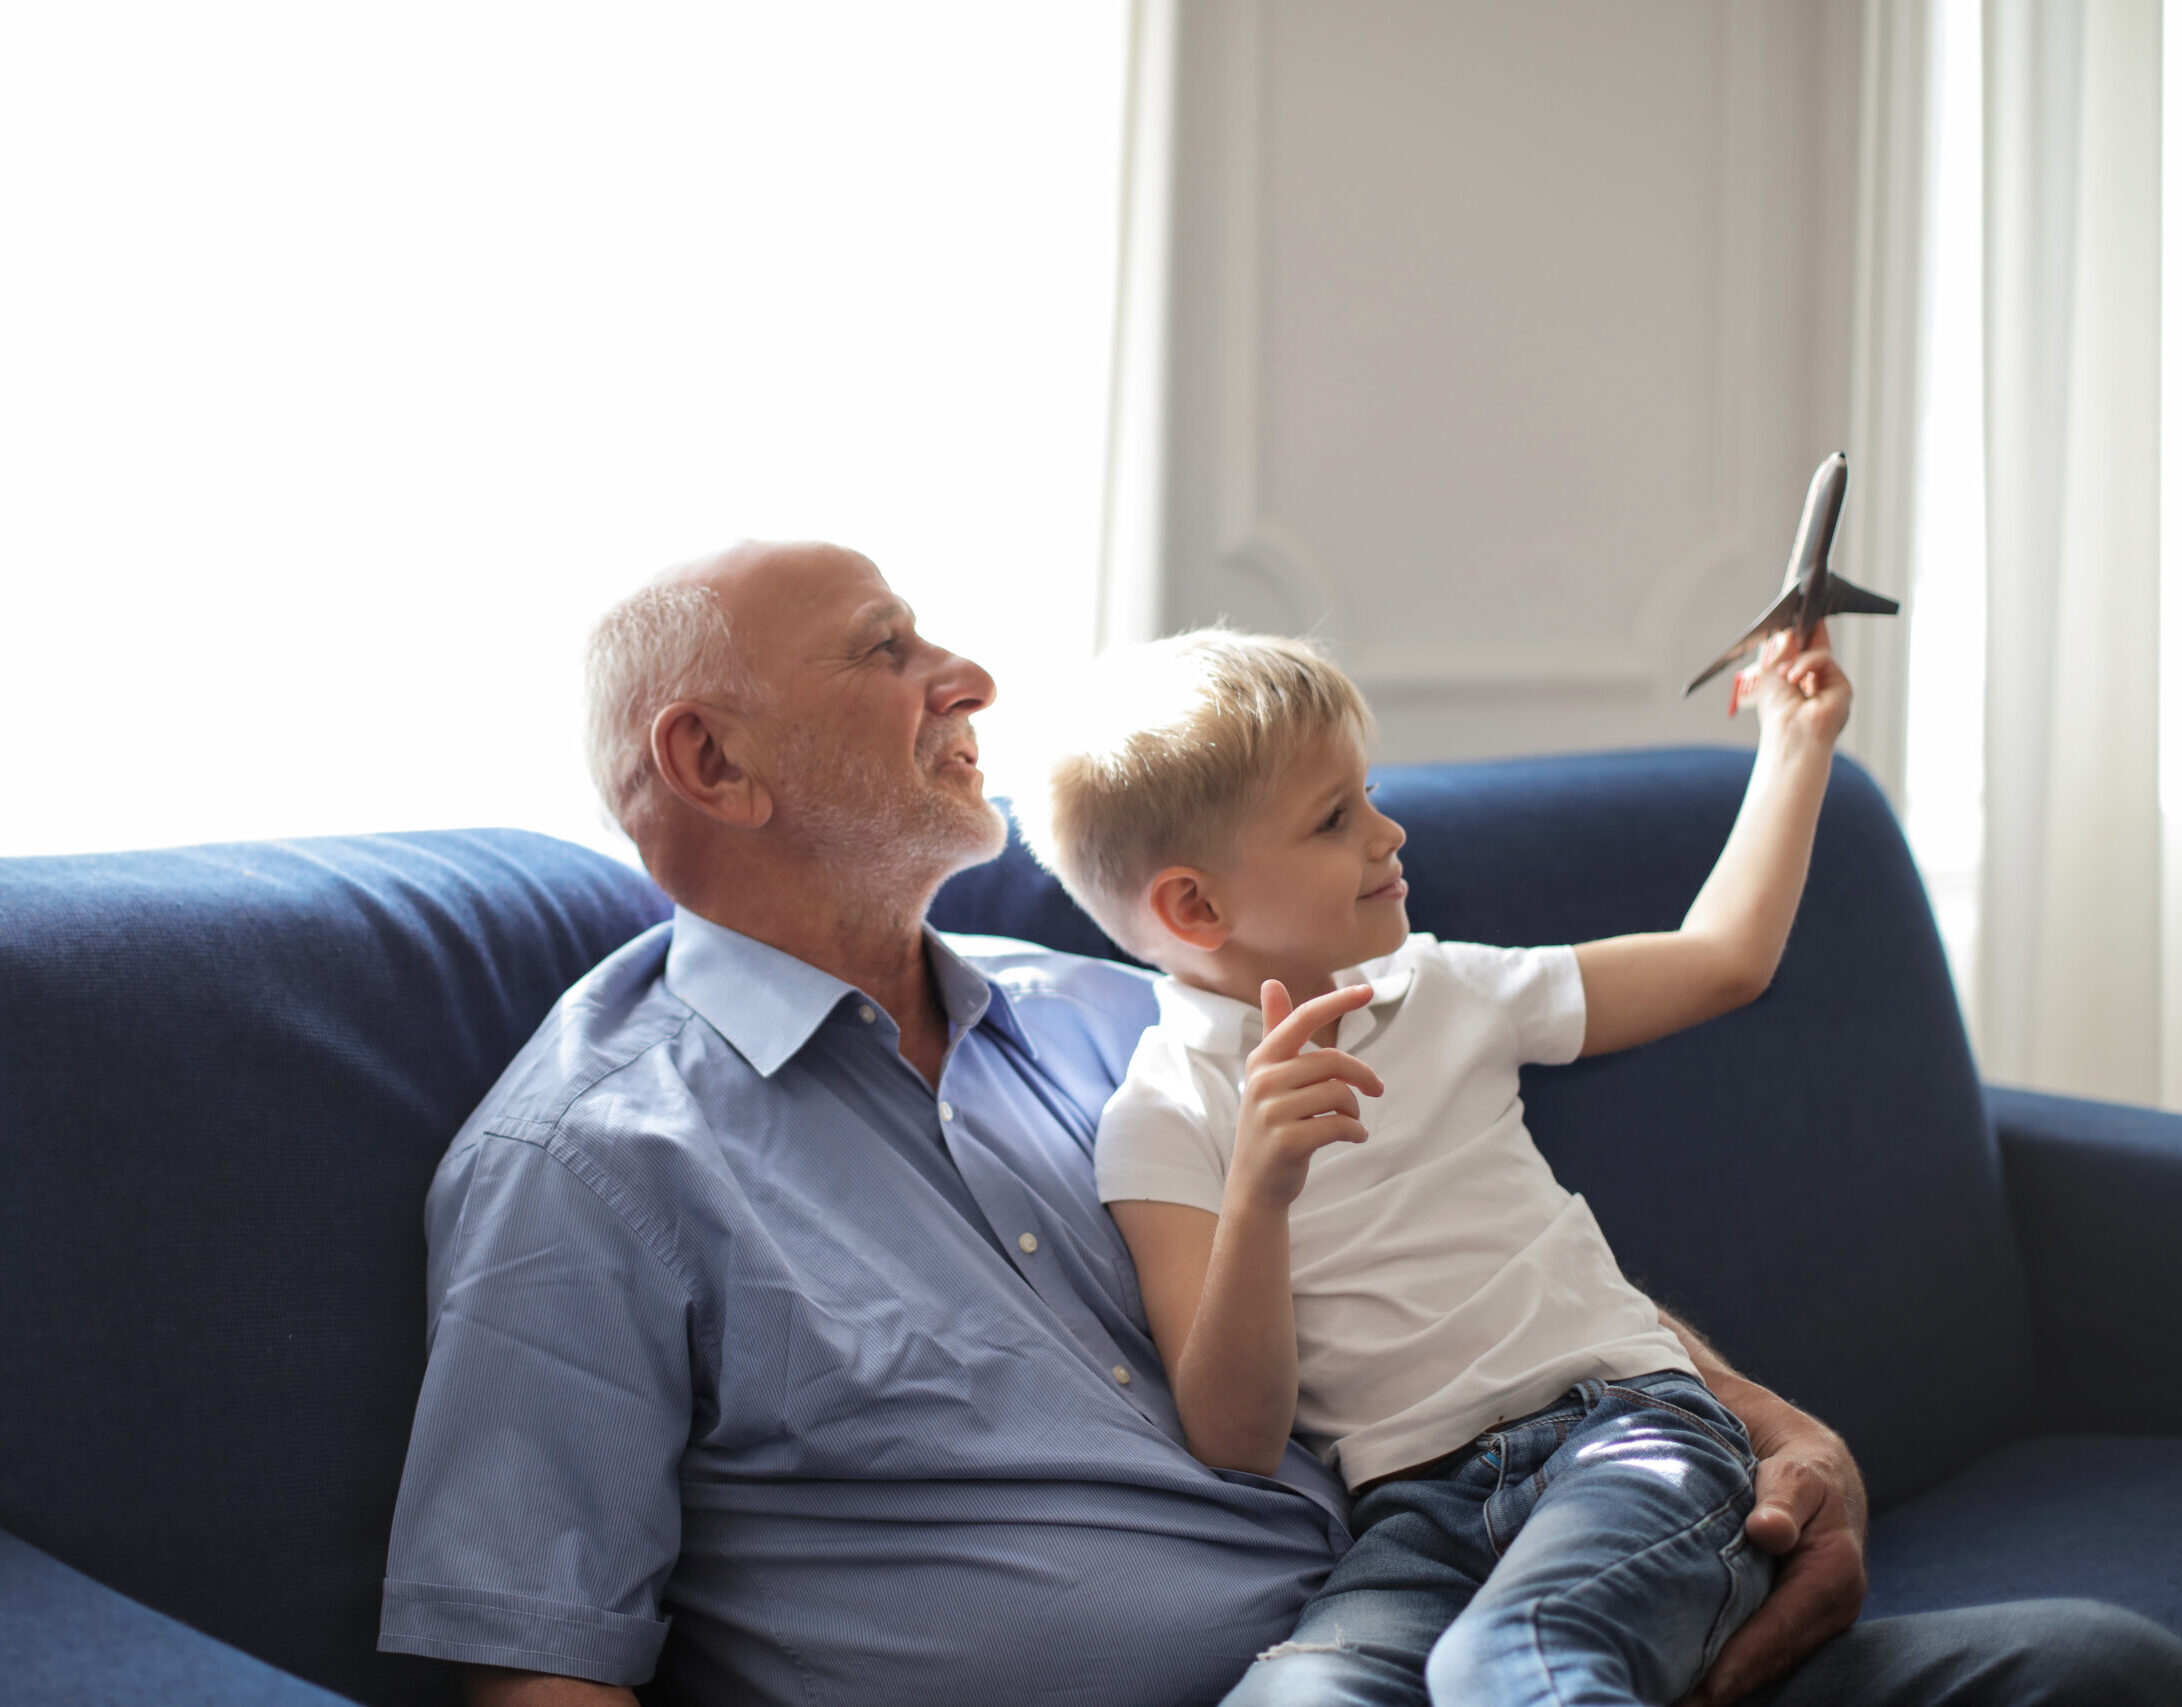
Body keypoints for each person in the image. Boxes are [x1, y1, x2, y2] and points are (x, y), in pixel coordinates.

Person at [378, 540, 2182, 1707]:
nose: (968, 679)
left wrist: (1776, 1430)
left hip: (1484, 1587)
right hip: (1369, 1649)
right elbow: (534, 1669)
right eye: (886, 652)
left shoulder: (1119, 1012)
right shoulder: (597, 1160)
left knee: (2087, 1668)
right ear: (713, 765)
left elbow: (1451, 1246)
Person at [1025, 626, 1851, 1703]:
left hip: (1630, 1435)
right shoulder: (1160, 1115)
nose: (1388, 831)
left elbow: (1721, 961)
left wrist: (1797, 740)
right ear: (1195, 907)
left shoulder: (1448, 988)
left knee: (1509, 1663)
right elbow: (1234, 1434)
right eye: (1335, 819)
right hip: (1415, 1514)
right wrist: (1261, 1191)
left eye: (1366, 795)